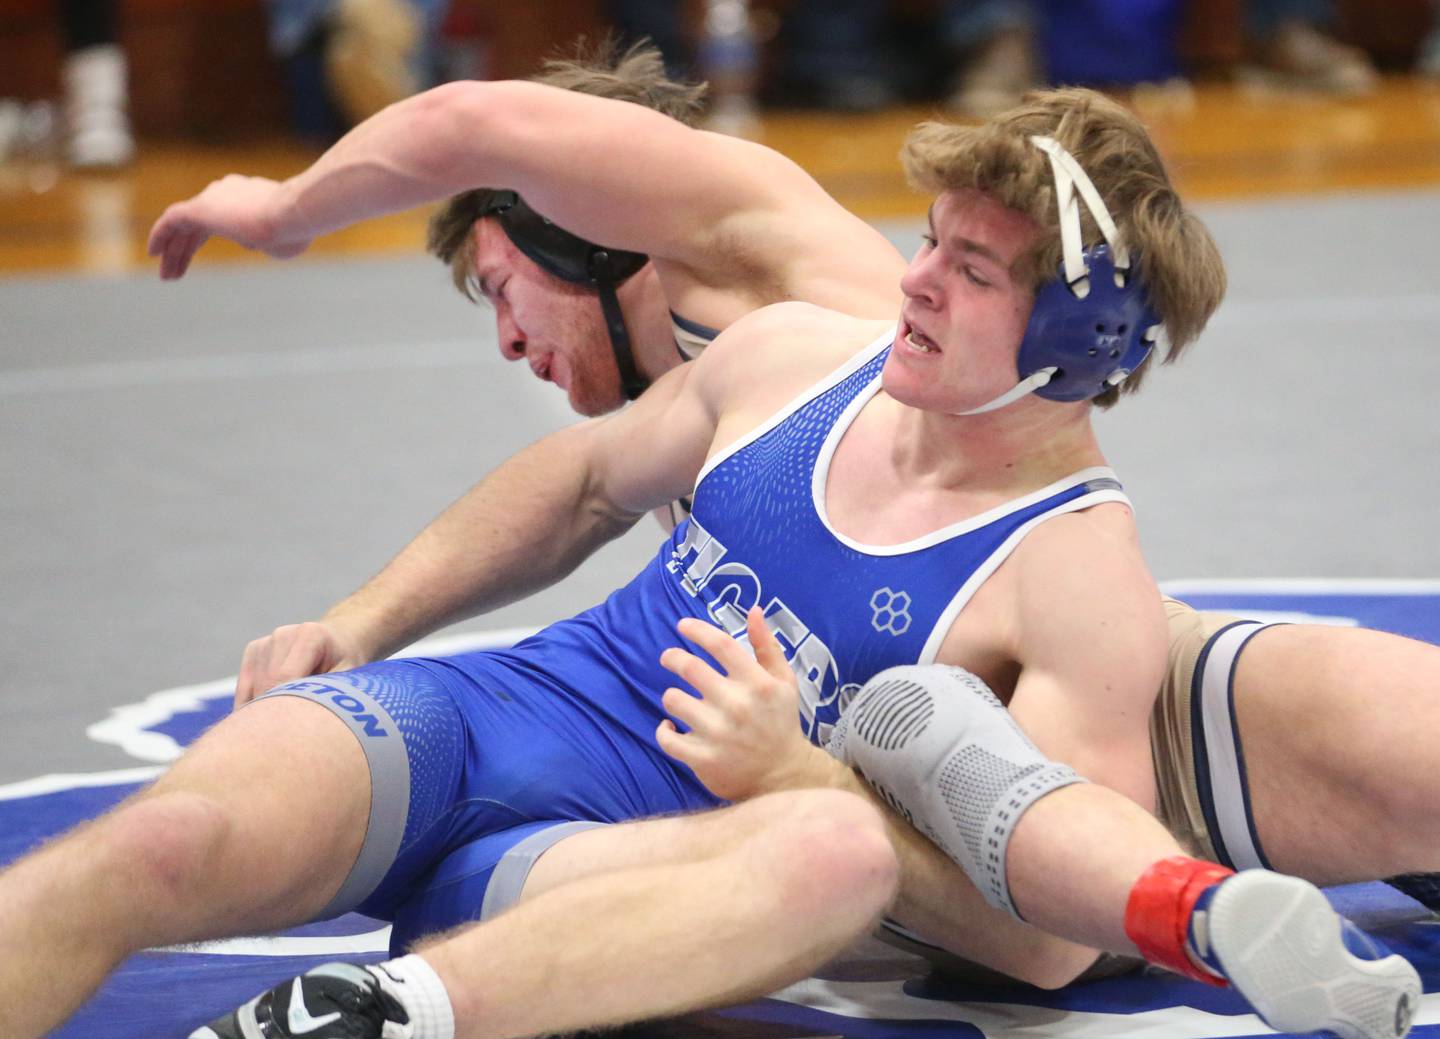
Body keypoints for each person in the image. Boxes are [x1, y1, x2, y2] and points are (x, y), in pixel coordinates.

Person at [1, 86, 1390, 1039]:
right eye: (927, 246)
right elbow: (583, 481)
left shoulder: (1079, 580)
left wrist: (799, 773)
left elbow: (1041, 945)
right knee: (163, 841)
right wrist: (360, 622)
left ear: (1071, 345)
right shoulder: (802, 356)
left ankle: (390, 1018)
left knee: (836, 843)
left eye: (969, 271)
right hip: (485, 727)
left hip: (638, 865)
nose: (912, 281)